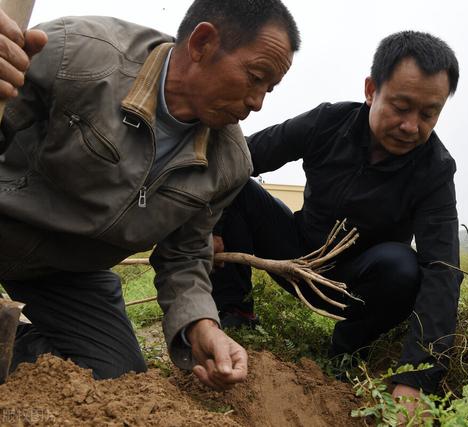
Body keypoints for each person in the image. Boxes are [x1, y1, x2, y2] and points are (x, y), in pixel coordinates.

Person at [0, 0, 299, 390]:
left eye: (269, 89)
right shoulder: (78, 55)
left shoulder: (229, 163)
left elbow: (186, 255)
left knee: (116, 381)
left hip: (69, 272)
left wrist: (201, 324)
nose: (257, 103)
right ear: (202, 42)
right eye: (255, 78)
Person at [211, 30, 463, 402]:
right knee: (238, 185)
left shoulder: (435, 170)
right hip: (293, 252)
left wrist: (417, 377)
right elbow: (239, 158)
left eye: (429, 114)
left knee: (403, 267)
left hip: (353, 285)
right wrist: (212, 226)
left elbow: (442, 269)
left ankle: (348, 345)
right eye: (400, 106)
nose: (411, 126)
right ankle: (234, 310)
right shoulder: (328, 122)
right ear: (371, 90)